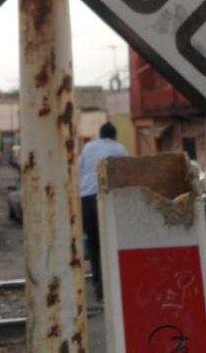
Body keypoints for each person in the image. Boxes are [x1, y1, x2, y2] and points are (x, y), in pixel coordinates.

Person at [78, 121, 127, 303]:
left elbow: (79, 171)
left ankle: (96, 284)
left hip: (85, 198)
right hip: (103, 198)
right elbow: (125, 175)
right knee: (107, 243)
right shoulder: (119, 149)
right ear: (114, 135)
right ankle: (105, 287)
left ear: (100, 134)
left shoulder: (88, 147)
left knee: (93, 243)